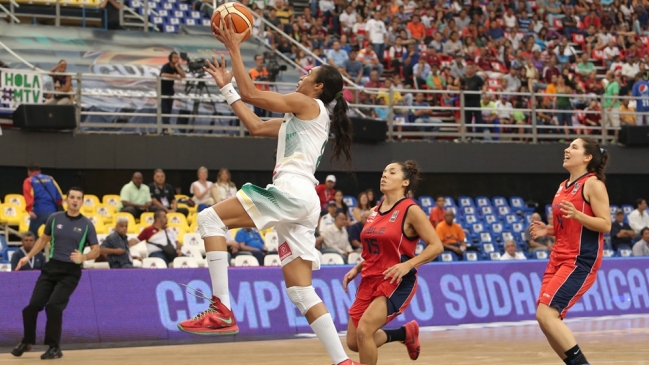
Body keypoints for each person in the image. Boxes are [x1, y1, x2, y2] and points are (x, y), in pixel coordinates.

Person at [178, 21, 361, 365]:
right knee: (301, 291)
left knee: (209, 219)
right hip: (305, 202)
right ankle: (343, 362)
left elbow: (252, 93)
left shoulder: (308, 105)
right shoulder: (301, 118)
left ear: (318, 87)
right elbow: (256, 125)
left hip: (292, 191)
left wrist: (235, 47)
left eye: (308, 73)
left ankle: (221, 309)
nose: (302, 76)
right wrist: (226, 89)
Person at [342, 161, 443, 365]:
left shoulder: (410, 210)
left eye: (392, 172)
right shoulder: (374, 211)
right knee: (354, 341)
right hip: (369, 278)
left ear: (405, 181)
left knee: (365, 331)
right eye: (384, 172)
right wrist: (358, 267)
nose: (384, 175)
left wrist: (408, 265)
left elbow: (436, 246)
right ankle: (405, 333)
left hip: (395, 280)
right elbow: (376, 248)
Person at [530, 138, 610, 365]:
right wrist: (549, 230)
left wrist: (578, 215)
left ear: (587, 158)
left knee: (547, 315)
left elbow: (605, 225)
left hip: (579, 261)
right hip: (558, 257)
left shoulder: (593, 184)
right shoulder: (562, 186)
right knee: (545, 320)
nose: (567, 149)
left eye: (574, 147)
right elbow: (569, 227)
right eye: (568, 146)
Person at [12, 188, 100, 360]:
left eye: (79, 198)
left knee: (53, 306)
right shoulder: (54, 218)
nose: (75, 201)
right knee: (31, 307)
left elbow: (96, 250)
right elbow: (43, 240)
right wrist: (27, 256)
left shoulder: (87, 224)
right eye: (72, 197)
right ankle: (27, 341)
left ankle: (54, 347)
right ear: (66, 200)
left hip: (71, 271)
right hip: (51, 268)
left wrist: (84, 256)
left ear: (82, 202)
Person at [23, 163, 63, 236]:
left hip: (38, 211)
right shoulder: (50, 178)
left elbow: (28, 195)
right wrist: (59, 204)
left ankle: (35, 247)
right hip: (52, 211)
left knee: (32, 235)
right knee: (53, 235)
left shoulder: (29, 180)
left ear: (29, 171)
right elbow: (59, 194)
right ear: (39, 171)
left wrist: (29, 210)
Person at [160, 51, 186, 133]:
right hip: (163, 90)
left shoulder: (177, 66)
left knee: (169, 109)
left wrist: (177, 67)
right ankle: (165, 128)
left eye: (177, 58)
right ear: (170, 58)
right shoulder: (166, 66)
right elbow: (163, 74)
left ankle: (167, 127)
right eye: (174, 57)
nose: (176, 59)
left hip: (170, 90)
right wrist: (174, 76)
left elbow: (183, 75)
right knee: (164, 109)